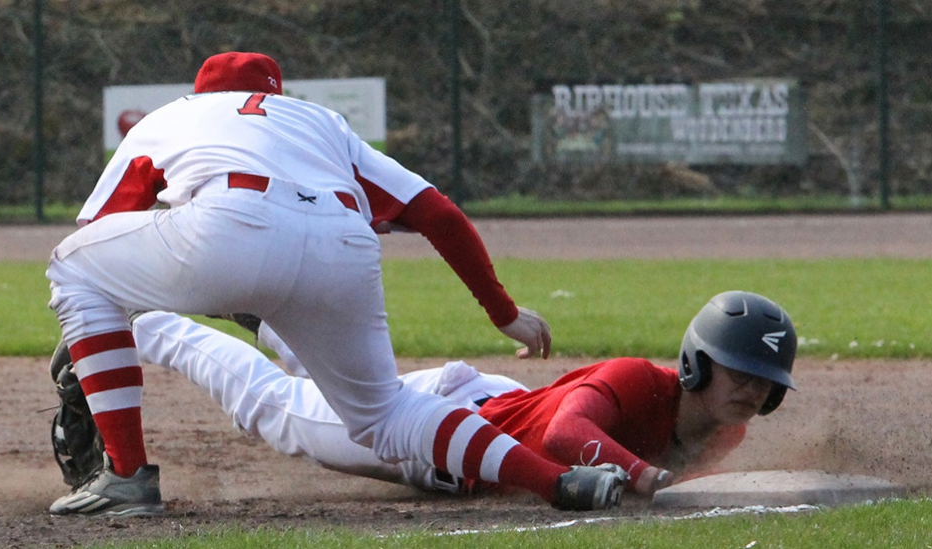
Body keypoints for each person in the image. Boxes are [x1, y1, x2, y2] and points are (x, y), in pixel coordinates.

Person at [43, 51, 624, 517]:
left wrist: (99, 338)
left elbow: (99, 230)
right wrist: (504, 314)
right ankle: (559, 482)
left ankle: (126, 474)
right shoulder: (319, 122)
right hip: (342, 240)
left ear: (200, 92)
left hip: (227, 225)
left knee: (73, 268)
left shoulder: (172, 116)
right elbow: (439, 214)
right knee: (386, 415)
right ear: (275, 94)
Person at [125, 290, 797, 499]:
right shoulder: (634, 378)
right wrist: (645, 476)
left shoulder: (726, 430)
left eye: (764, 382)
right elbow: (564, 435)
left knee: (346, 386)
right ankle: (139, 321)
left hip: (495, 407)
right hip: (449, 428)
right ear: (695, 363)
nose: (750, 389)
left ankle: (267, 319)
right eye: (738, 371)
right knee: (275, 410)